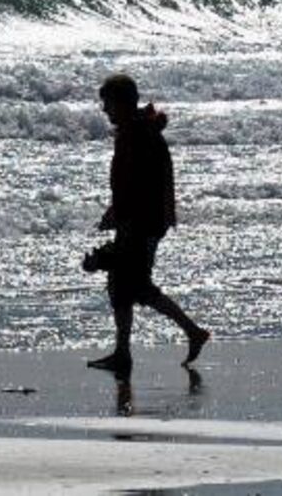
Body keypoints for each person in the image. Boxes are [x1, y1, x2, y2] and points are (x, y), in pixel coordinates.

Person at [85, 74, 209, 374]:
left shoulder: (138, 134)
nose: (105, 110)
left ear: (121, 103)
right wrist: (115, 212)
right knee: (121, 284)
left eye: (108, 103)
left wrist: (121, 214)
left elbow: (140, 185)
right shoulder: (137, 130)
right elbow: (133, 183)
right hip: (141, 219)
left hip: (142, 221)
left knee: (135, 286)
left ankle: (191, 332)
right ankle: (123, 352)